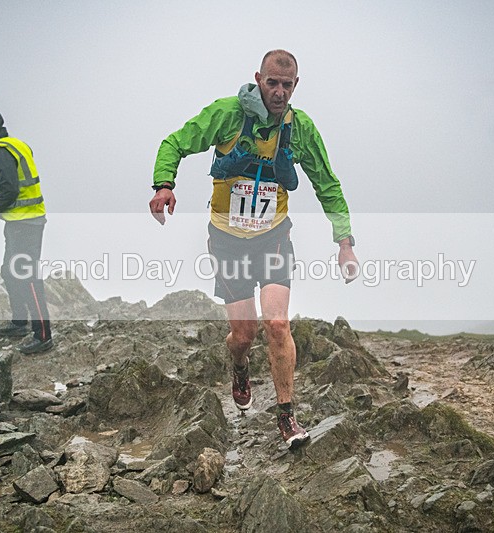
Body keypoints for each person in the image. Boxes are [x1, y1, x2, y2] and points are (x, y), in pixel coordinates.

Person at [149, 50, 359, 449]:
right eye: (272, 83)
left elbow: (327, 184)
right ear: (258, 79)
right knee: (242, 335)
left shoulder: (301, 129)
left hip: (273, 236)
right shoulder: (227, 114)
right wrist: (164, 184)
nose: (279, 93)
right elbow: (174, 142)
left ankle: (287, 417)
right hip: (227, 239)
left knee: (277, 324)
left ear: (296, 86)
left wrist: (344, 243)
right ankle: (240, 365)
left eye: (287, 85)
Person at [0, 109, 53, 354]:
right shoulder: (16, 144)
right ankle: (19, 322)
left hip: (25, 223)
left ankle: (43, 335)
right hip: (22, 221)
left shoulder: (0, 151)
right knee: (10, 271)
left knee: (27, 278)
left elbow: (9, 190)